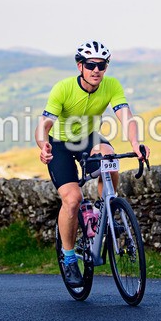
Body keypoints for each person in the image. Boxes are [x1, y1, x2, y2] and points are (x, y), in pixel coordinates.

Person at [35, 40, 150, 286]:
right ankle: (68, 258)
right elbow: (44, 124)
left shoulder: (111, 85)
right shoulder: (63, 88)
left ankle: (104, 209)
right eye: (90, 65)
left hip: (88, 138)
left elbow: (126, 117)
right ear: (80, 66)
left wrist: (135, 144)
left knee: (110, 157)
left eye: (102, 65)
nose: (96, 70)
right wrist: (43, 144)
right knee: (72, 199)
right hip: (60, 144)